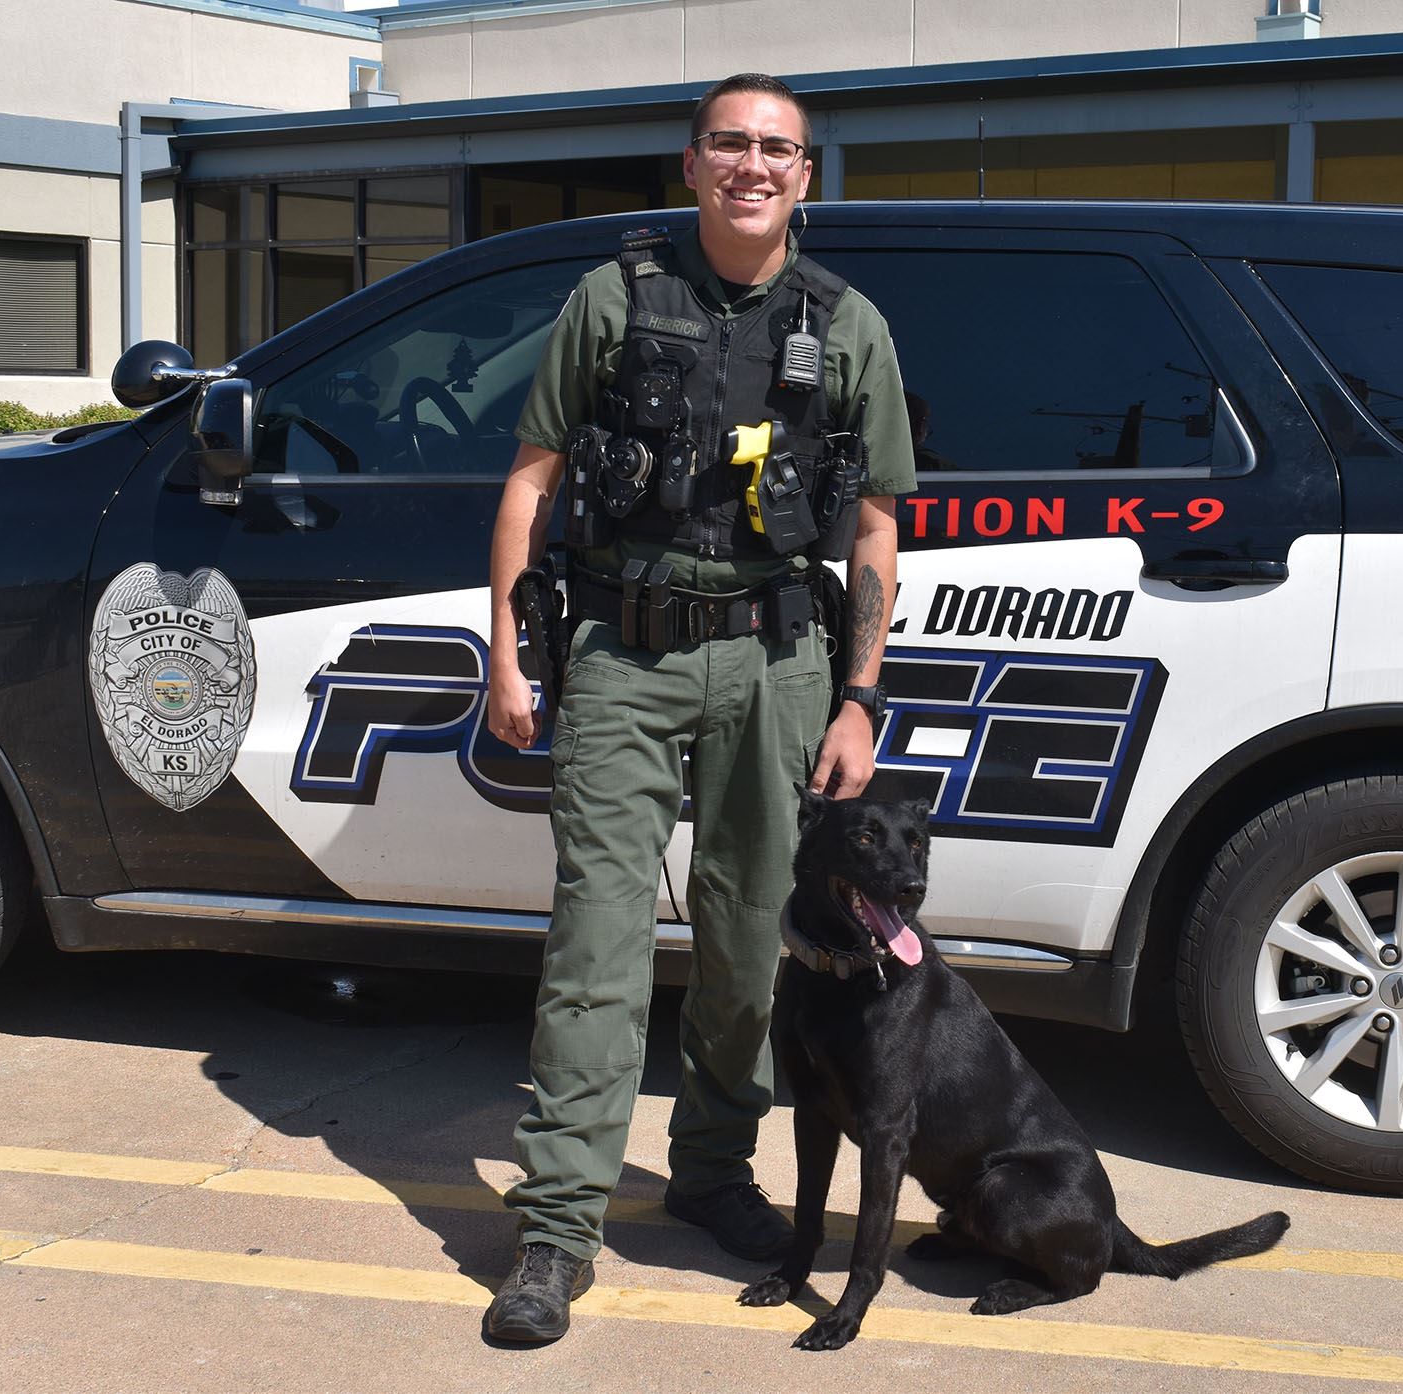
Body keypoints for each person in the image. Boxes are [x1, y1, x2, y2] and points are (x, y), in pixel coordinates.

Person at [480, 72, 916, 1345]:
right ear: (688, 164)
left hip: (779, 662)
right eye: (728, 142)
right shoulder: (611, 298)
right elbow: (532, 479)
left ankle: (715, 1169)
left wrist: (859, 697)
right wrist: (508, 652)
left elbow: (879, 523)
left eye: (775, 148)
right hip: (622, 648)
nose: (751, 165)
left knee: (745, 942)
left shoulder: (846, 326)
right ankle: (558, 1227)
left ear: (805, 176)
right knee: (598, 942)